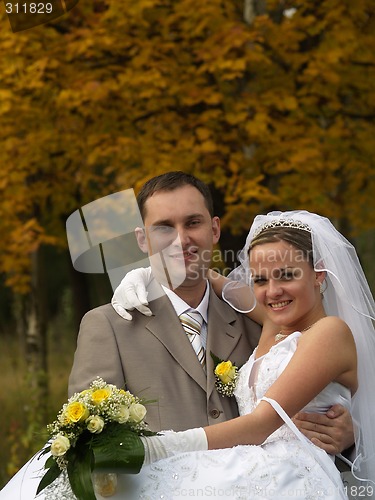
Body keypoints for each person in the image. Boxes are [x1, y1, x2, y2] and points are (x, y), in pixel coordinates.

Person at [68, 171, 350, 448]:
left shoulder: (264, 319)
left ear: (214, 229)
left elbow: (328, 385)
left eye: (192, 223)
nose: (181, 240)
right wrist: (149, 273)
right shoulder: (108, 327)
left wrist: (351, 434)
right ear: (142, 239)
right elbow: (89, 440)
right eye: (164, 227)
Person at [104, 210, 375, 498]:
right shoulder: (273, 323)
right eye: (259, 280)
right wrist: (147, 273)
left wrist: (156, 447)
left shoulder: (330, 332)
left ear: (318, 273)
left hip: (291, 477)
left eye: (286, 275)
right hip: (248, 463)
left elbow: (261, 424)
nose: (272, 292)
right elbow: (209, 278)